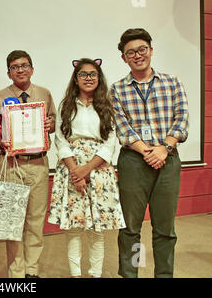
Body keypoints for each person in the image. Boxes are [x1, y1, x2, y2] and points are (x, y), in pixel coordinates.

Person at [111, 28, 189, 278]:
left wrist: (164, 149)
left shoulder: (172, 82)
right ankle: (130, 275)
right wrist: (148, 152)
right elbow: (122, 127)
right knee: (131, 228)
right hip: (134, 162)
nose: (137, 55)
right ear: (124, 58)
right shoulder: (117, 89)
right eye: (130, 52)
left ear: (151, 51)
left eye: (142, 49)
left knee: (165, 228)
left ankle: (164, 275)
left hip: (168, 159)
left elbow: (182, 119)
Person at [48, 58, 126, 278]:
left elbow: (110, 142)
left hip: (99, 170)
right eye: (83, 74)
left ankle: (95, 274)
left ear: (99, 78)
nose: (89, 78)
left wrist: (87, 169)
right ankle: (75, 274)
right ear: (76, 78)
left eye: (93, 74)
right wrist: (76, 171)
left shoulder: (107, 106)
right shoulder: (66, 104)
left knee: (96, 229)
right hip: (71, 168)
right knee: (74, 228)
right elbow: (61, 140)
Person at [0, 50, 56, 278]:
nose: (20, 70)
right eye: (15, 67)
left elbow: (54, 122)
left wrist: (49, 124)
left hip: (38, 163)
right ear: (9, 73)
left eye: (24, 65)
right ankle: (16, 273)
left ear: (32, 69)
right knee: (12, 220)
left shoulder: (44, 94)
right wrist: (1, 140)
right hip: (11, 164)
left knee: (36, 221)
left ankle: (32, 270)